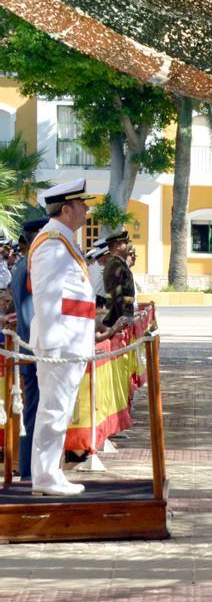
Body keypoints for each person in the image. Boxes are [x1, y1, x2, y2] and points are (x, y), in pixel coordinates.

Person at [29, 180, 122, 496]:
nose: (86, 209)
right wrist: (55, 347)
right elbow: (47, 300)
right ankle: (45, 476)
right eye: (81, 204)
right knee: (54, 411)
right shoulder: (52, 245)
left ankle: (50, 473)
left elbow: (73, 300)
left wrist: (89, 326)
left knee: (59, 410)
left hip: (70, 342)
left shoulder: (63, 242)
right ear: (65, 209)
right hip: (60, 346)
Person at [11, 217, 48, 481]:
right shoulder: (29, 267)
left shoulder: (27, 266)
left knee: (35, 411)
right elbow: (28, 314)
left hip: (30, 349)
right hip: (34, 351)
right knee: (35, 412)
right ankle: (28, 472)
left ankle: (31, 470)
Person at [101, 230, 138, 328]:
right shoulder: (115, 264)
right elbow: (117, 294)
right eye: (125, 243)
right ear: (117, 246)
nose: (128, 245)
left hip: (122, 313)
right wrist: (123, 318)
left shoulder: (119, 263)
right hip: (116, 316)